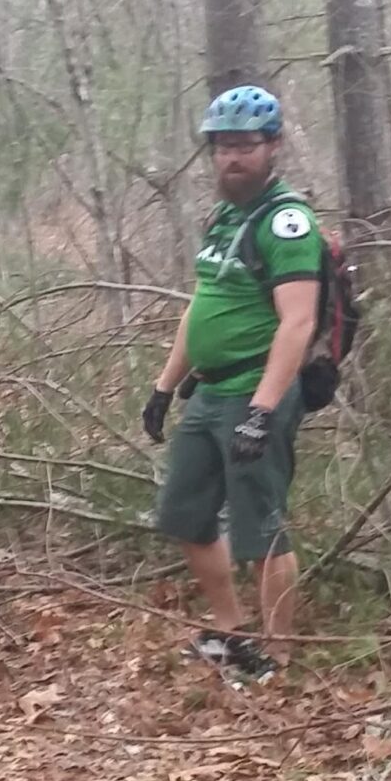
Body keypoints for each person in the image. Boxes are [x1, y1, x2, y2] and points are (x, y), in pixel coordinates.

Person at [142, 85, 320, 683]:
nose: (232, 158)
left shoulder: (287, 221)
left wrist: (263, 409)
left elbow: (298, 320)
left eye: (245, 145)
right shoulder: (224, 217)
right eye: (221, 146)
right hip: (210, 390)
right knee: (184, 515)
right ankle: (232, 630)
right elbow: (204, 304)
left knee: (259, 528)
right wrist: (165, 385)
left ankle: (279, 652)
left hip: (255, 391)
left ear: (272, 146)